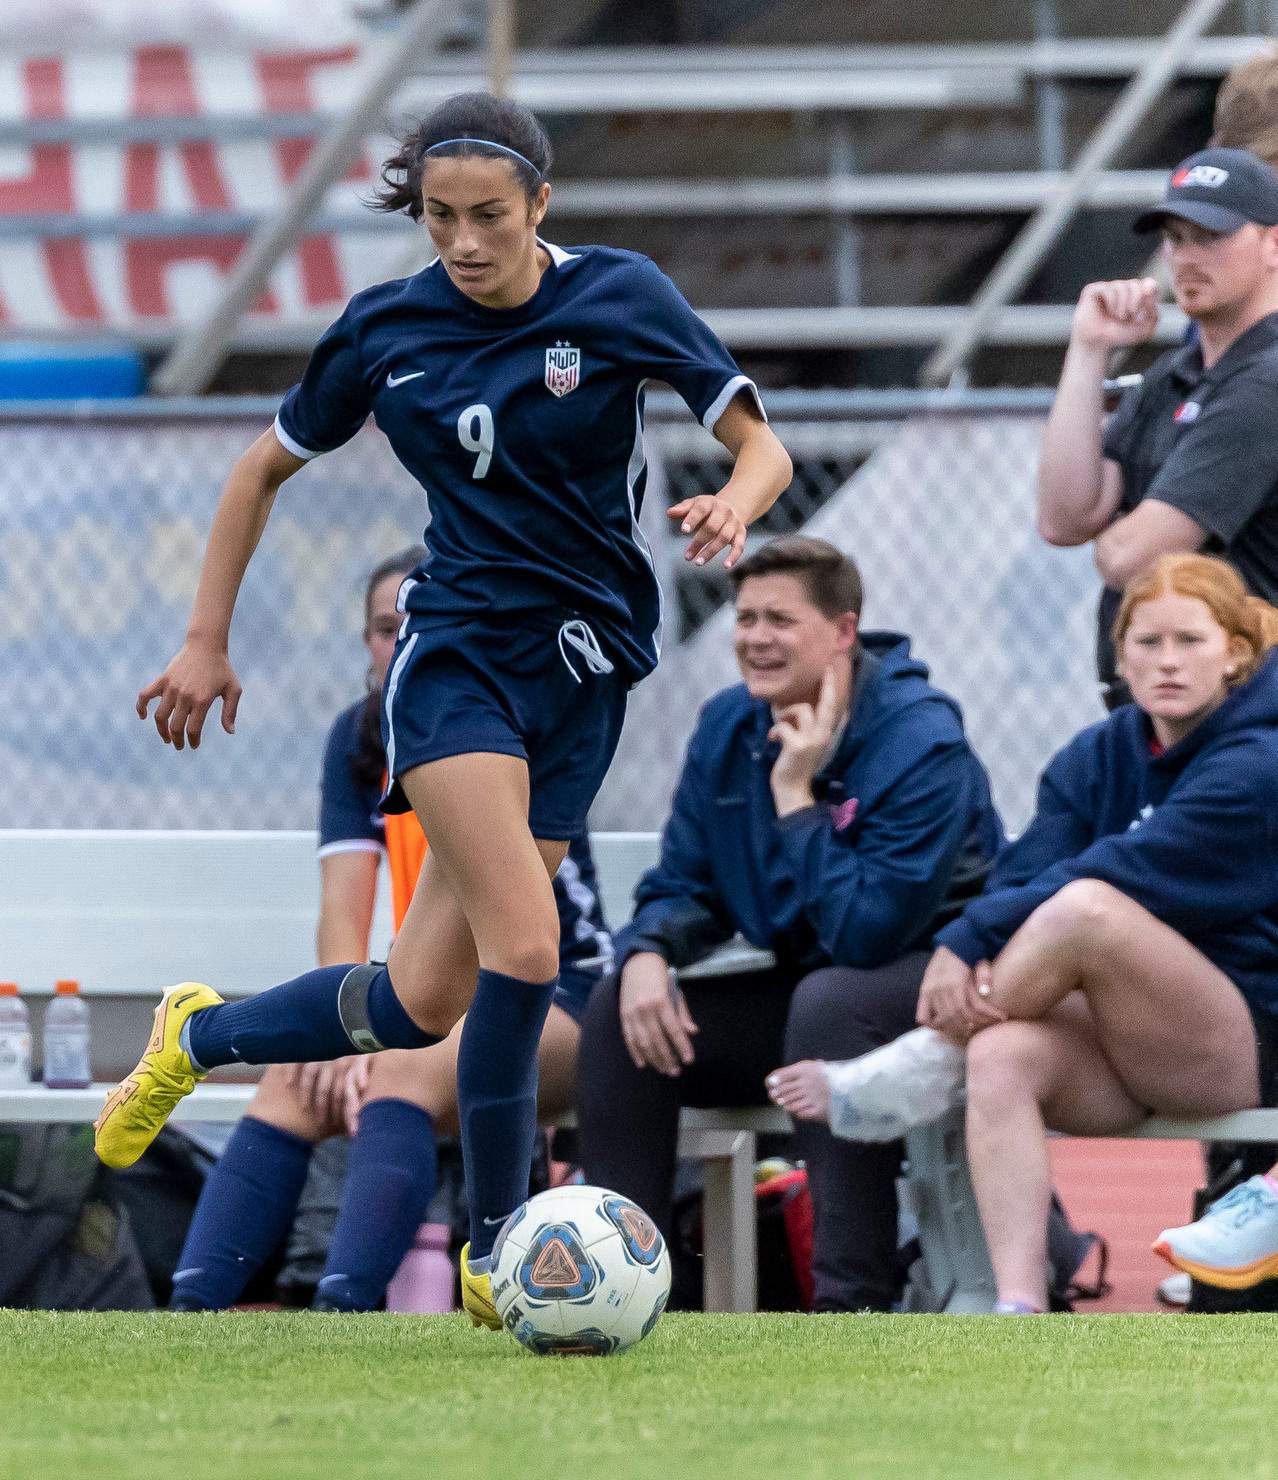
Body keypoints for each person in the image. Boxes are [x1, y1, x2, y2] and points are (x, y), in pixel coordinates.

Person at [92, 89, 792, 1331]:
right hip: (459, 656)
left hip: (585, 679)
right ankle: (495, 1244)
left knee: (416, 1003)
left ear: (538, 205)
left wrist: (736, 499)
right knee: (527, 950)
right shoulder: (384, 329)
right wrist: (205, 638)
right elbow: (260, 468)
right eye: (436, 217)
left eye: (485, 216)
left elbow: (762, 445)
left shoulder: (619, 296)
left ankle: (200, 1032)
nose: (461, 242)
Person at [775, 555, 1278, 1313]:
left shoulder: (1258, 759)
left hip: (1234, 1043)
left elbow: (1126, 868)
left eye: (1190, 641)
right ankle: (1017, 1307)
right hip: (1120, 1043)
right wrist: (978, 940)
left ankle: (921, 1060)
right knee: (1001, 1050)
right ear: (1119, 654)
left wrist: (966, 939)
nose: (1167, 661)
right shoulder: (1097, 753)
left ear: (1235, 652)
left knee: (1090, 909)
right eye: (1146, 642)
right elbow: (1022, 875)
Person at [169, 548, 613, 1313]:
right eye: (383, 627)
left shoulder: (499, 716)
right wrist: (341, 1038)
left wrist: (375, 1043)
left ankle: (345, 1311)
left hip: (558, 996)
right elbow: (341, 910)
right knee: (292, 1081)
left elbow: (513, 934)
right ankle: (185, 1313)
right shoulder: (358, 735)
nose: (399, 637)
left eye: (413, 619)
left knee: (402, 1070)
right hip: (425, 992)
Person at [574, 536, 1000, 1312]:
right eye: (744, 619)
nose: (755, 639)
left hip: (930, 992)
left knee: (833, 1002)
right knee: (619, 1016)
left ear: (842, 631)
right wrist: (645, 953)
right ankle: (618, 1291)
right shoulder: (729, 726)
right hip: (810, 988)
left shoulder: (918, 737)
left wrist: (798, 796)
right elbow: (685, 883)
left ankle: (849, 1304)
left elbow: (867, 932)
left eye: (779, 619)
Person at [1037, 147, 1278, 708]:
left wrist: (1117, 533)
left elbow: (1127, 560)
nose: (1187, 257)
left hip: (1245, 708)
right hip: (1166, 705)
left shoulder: (1266, 380)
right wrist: (1089, 349)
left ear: (1274, 244)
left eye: (1211, 236)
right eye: (1175, 237)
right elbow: (1062, 517)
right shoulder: (1178, 372)